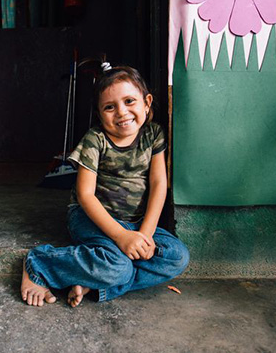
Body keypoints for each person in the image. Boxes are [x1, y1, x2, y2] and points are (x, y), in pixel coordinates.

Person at [21, 63, 189, 307]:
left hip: (137, 222)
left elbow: (158, 182)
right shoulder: (95, 139)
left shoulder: (154, 134)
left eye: (130, 101)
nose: (122, 112)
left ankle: (94, 283)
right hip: (92, 217)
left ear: (147, 102)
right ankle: (40, 263)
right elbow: (85, 195)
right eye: (110, 107)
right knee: (118, 267)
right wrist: (120, 236)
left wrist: (145, 234)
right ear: (100, 115)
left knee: (177, 256)